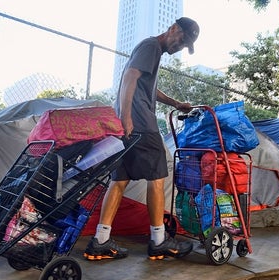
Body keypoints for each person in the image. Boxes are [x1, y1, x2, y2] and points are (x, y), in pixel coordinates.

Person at [83, 17, 200, 261]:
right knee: (157, 176)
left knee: (120, 179)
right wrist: (127, 117)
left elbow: (148, 87)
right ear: (173, 29)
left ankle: (100, 241)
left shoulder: (152, 51)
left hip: (129, 124)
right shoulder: (151, 47)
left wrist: (176, 103)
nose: (180, 47)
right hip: (140, 123)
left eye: (185, 45)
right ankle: (159, 240)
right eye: (181, 40)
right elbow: (129, 78)